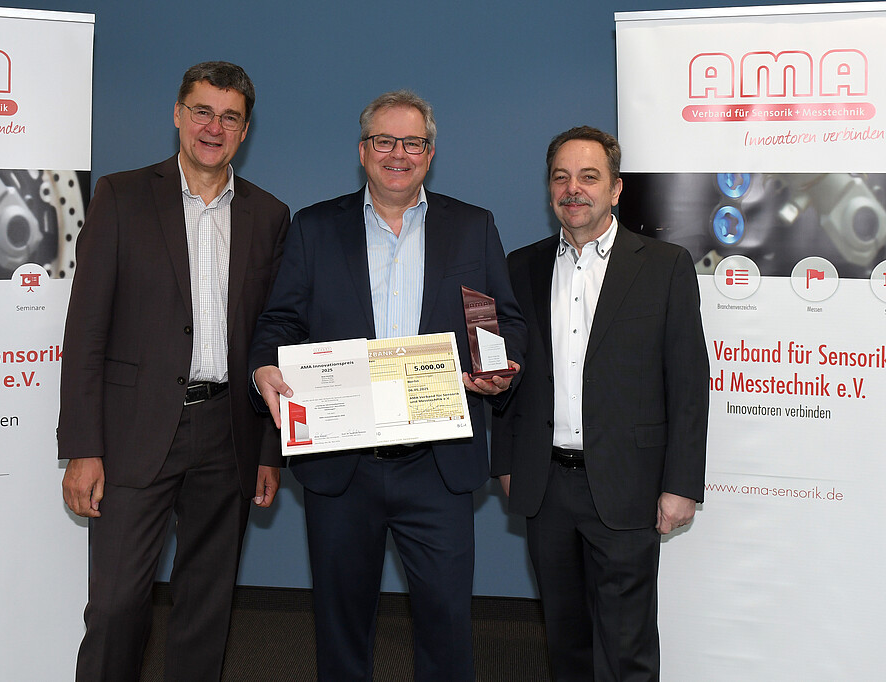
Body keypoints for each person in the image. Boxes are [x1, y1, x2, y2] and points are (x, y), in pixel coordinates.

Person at [249, 90, 526, 681]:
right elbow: (279, 323)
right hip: (341, 467)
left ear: (430, 153)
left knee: (447, 629)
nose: (398, 154)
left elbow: (501, 320)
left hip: (438, 466)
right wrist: (265, 365)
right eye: (384, 141)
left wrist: (500, 366)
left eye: (413, 143)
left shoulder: (471, 226)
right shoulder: (314, 227)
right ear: (362, 151)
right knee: (341, 630)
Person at [56, 61, 290, 682]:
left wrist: (269, 449)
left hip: (229, 433)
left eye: (230, 117)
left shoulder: (270, 215)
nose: (214, 127)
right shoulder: (122, 196)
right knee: (115, 608)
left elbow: (273, 339)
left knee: (206, 609)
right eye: (202, 112)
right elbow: (86, 332)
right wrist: (83, 447)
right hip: (133, 433)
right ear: (179, 115)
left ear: (245, 130)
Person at [491, 126, 709, 681]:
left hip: (629, 484)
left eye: (589, 177)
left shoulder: (664, 265)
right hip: (546, 486)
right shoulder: (521, 267)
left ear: (615, 188)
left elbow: (688, 383)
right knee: (565, 643)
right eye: (560, 177)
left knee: (626, 649)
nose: (573, 189)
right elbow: (512, 376)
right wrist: (507, 462)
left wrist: (682, 483)